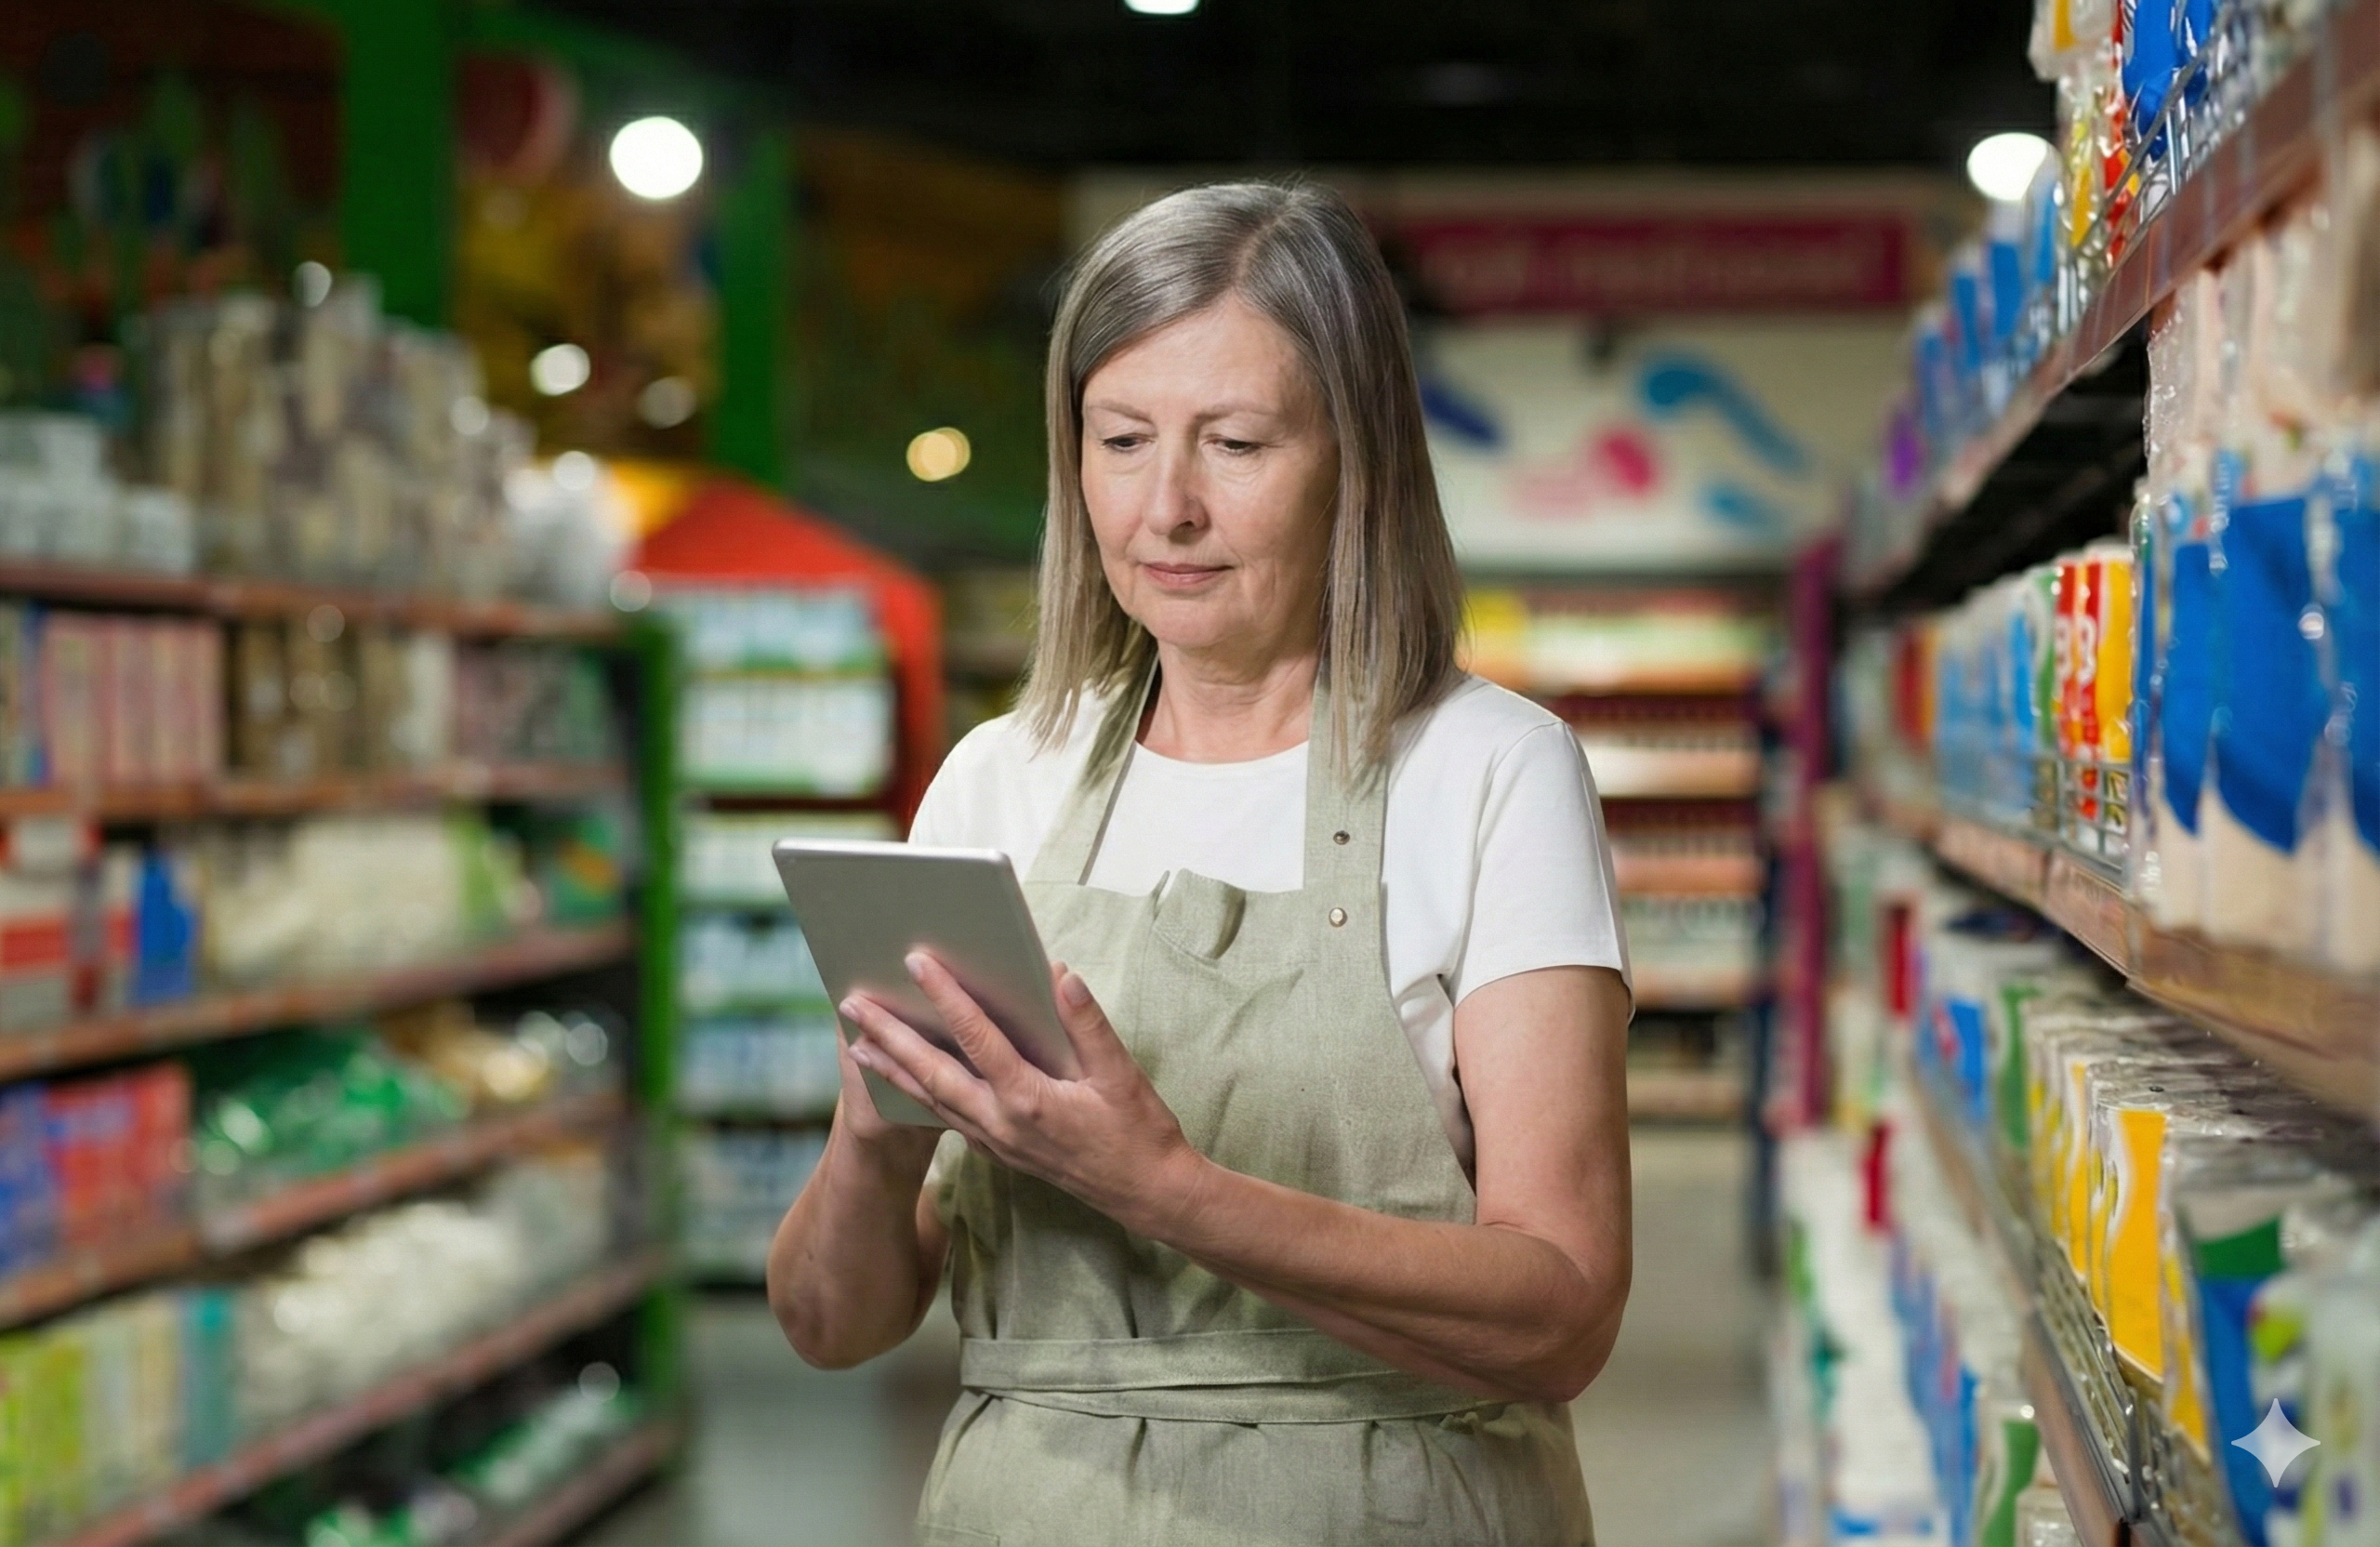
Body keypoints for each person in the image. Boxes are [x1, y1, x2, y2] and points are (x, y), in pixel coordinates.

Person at [767, 180, 1633, 1546]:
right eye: (1120, 440)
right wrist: (873, 1151)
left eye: (1234, 443)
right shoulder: (1001, 779)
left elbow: (1563, 1314)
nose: (1165, 507)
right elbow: (830, 1326)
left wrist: (1167, 1191)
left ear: (1357, 460)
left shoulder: (1488, 772)